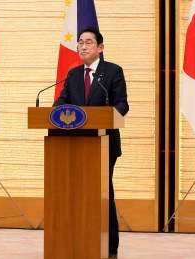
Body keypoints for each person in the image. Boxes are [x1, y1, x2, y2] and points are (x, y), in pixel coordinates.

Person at [53, 28, 129, 259]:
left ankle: (110, 249)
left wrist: (106, 118)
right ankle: (75, 241)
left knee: (103, 194)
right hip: (74, 145)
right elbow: (61, 103)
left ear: (100, 47)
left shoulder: (113, 72)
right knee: (75, 194)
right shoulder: (73, 74)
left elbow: (122, 105)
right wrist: (55, 111)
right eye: (80, 42)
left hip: (104, 142)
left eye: (89, 42)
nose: (83, 46)